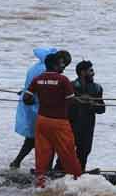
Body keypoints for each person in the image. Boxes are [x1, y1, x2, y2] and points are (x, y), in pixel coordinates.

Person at [23, 53, 85, 188]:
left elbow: (26, 99)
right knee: (68, 152)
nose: (64, 66)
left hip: (42, 121)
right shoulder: (63, 80)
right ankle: (78, 183)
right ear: (55, 64)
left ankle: (40, 184)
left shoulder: (38, 79)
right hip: (59, 122)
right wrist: (80, 101)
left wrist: (37, 100)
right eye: (62, 63)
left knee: (42, 153)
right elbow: (71, 102)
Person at [10, 46, 59, 169]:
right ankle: (46, 168)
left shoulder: (34, 67)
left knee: (32, 138)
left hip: (30, 105)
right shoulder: (44, 69)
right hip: (38, 106)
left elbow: (30, 85)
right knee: (47, 139)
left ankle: (17, 162)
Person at [68, 59, 106, 170]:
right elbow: (66, 105)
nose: (93, 73)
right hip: (72, 123)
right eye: (91, 71)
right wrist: (79, 100)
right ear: (82, 72)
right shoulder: (71, 86)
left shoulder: (97, 88)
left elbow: (102, 109)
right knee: (67, 150)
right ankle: (60, 171)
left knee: (85, 150)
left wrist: (93, 104)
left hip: (88, 125)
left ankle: (81, 171)